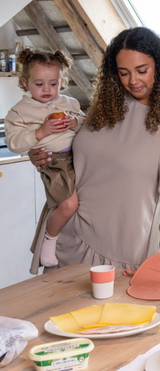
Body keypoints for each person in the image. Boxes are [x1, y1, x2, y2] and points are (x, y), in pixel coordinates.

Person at [29, 27, 160, 274]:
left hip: (120, 252)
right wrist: (41, 152)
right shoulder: (106, 108)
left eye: (142, 70)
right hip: (69, 239)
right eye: (124, 73)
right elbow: (78, 155)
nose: (133, 81)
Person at [5, 49, 85, 268]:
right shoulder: (19, 112)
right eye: (39, 84)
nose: (47, 89)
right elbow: (14, 143)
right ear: (25, 83)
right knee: (68, 205)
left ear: (62, 82)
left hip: (79, 158)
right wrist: (41, 132)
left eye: (53, 83)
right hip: (54, 162)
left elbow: (87, 124)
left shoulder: (70, 103)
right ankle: (49, 239)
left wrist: (75, 122)